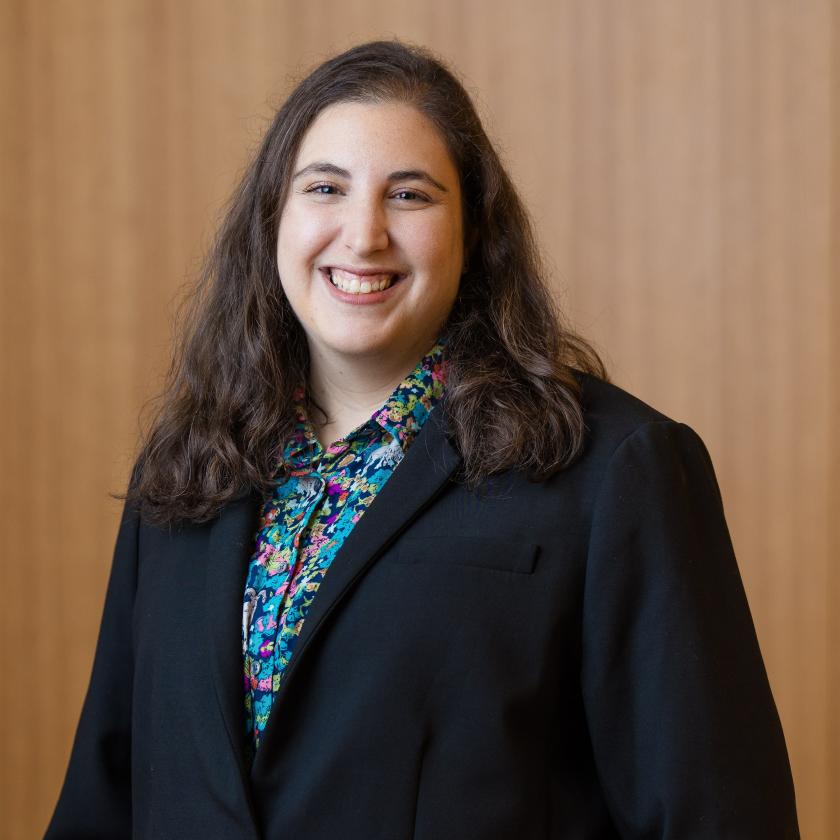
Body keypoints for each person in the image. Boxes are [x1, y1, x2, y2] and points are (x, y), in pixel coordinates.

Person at [46, 40, 800, 839]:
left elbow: (718, 818)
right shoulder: (192, 468)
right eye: (325, 188)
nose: (362, 234)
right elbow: (105, 799)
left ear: (474, 233)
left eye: (409, 195)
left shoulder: (616, 469)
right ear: (274, 219)